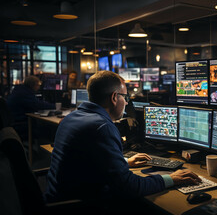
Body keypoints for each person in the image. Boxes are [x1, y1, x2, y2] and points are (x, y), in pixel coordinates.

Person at [44, 71, 200, 211]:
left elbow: (88, 162)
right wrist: (170, 178)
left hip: (59, 198)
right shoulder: (103, 127)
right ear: (113, 97)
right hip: (81, 205)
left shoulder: (71, 118)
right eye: (125, 97)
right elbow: (129, 186)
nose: (126, 103)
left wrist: (124, 162)